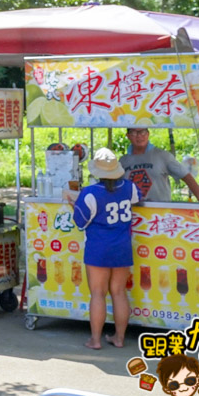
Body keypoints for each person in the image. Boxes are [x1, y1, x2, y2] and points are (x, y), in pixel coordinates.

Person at [71, 148, 138, 350]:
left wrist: (73, 203)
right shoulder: (129, 187)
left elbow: (80, 222)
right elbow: (136, 198)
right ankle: (119, 338)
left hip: (98, 248)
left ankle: (96, 340)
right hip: (123, 246)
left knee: (98, 293)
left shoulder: (90, 193)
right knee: (119, 292)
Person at [119, 128, 199, 203]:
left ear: (148, 134)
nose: (139, 136)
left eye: (142, 132)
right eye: (134, 133)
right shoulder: (123, 161)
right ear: (128, 136)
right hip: (134, 213)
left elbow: (187, 177)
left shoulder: (163, 156)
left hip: (160, 213)